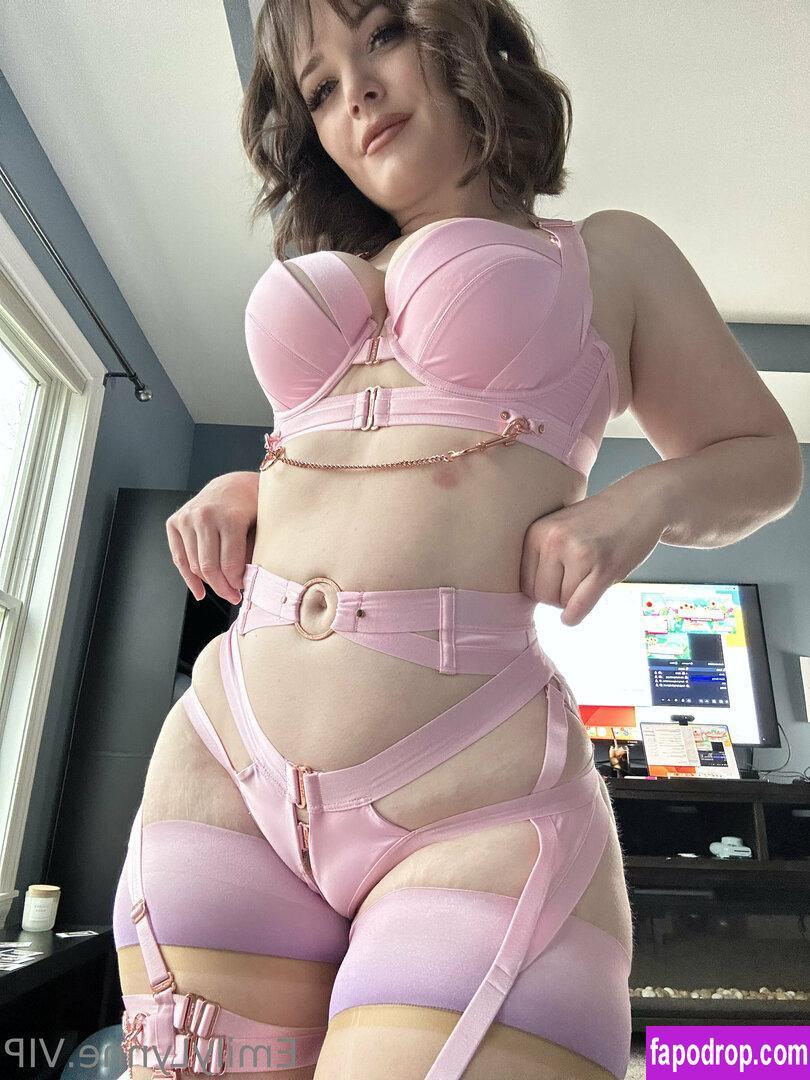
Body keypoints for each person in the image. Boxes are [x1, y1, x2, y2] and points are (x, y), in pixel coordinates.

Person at [112, 1, 803, 1078]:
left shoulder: (606, 254)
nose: (356, 94)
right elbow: (347, 456)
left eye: (382, 34)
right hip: (224, 767)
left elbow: (765, 460)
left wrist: (641, 504)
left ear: (465, 36)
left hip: (470, 801)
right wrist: (247, 485)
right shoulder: (344, 271)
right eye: (319, 87)